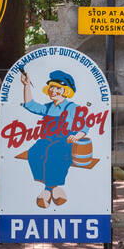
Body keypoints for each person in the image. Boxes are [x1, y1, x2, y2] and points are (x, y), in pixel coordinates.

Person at [19, 68, 87, 208]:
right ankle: (54, 188)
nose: (53, 91)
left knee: (54, 154)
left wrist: (76, 136)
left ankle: (47, 191)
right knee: (34, 152)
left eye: (57, 88)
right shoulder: (48, 107)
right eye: (51, 88)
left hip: (65, 141)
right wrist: (26, 85)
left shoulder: (72, 107)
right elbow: (31, 105)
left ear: (65, 90)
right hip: (48, 140)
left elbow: (84, 127)